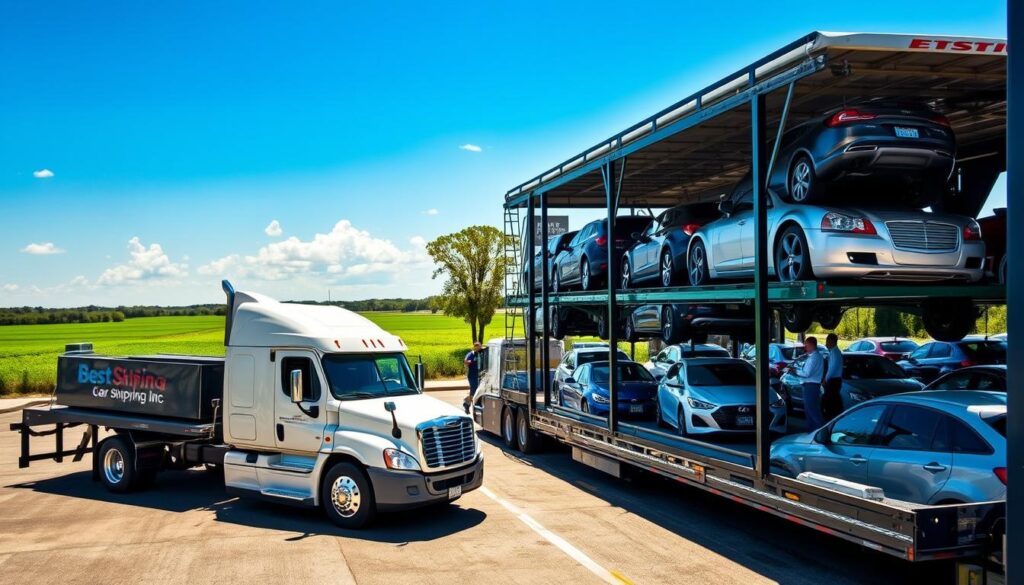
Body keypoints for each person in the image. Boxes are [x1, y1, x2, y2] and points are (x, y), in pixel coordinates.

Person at [790, 336, 825, 430]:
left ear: (812, 345)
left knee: (812, 411)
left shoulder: (814, 357)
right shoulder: (815, 356)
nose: (805, 347)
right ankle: (812, 431)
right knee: (810, 411)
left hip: (811, 386)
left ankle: (821, 431)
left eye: (806, 345)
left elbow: (806, 373)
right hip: (811, 385)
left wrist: (795, 371)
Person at [822, 333, 844, 421]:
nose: (826, 343)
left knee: (830, 403)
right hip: (835, 380)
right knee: (834, 402)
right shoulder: (834, 352)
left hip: (833, 381)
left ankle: (830, 420)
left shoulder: (835, 353)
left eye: (827, 341)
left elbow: (832, 368)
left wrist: (825, 379)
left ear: (831, 341)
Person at [463, 342, 482, 413]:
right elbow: (465, 361)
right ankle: (467, 403)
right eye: (477, 347)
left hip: (479, 375)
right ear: (474, 347)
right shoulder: (471, 354)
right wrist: (469, 362)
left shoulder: (481, 353)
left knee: (476, 391)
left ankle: (467, 404)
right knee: (474, 391)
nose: (478, 349)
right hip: (472, 375)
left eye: (479, 347)